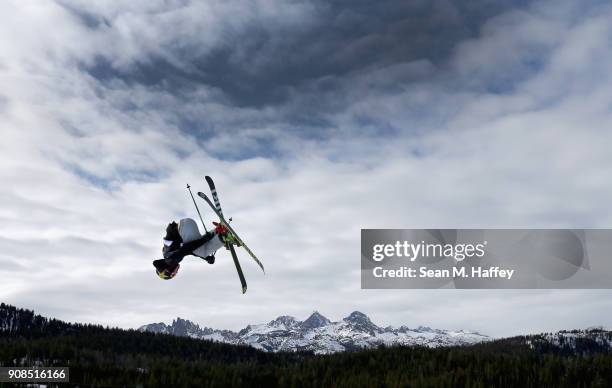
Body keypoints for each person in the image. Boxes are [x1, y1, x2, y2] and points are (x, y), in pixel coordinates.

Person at [153, 218, 238, 280]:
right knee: (201, 249)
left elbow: (188, 248)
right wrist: (206, 258)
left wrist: (204, 249)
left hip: (184, 228)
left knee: (202, 250)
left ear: (168, 270)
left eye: (173, 274)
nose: (176, 273)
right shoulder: (169, 256)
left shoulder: (171, 260)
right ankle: (218, 230)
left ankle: (223, 237)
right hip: (186, 224)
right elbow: (190, 250)